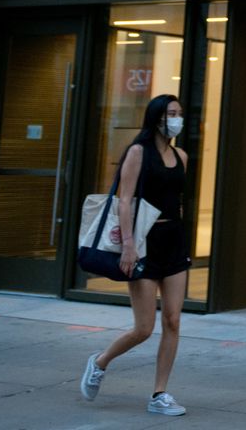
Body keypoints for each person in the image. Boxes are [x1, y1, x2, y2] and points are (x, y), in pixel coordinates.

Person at [79, 94, 192, 416]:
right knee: (143, 328)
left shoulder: (181, 155)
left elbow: (177, 199)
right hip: (143, 241)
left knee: (172, 320)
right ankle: (99, 362)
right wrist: (128, 245)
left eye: (179, 114)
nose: (176, 119)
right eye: (171, 113)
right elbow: (125, 200)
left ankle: (160, 394)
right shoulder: (138, 152)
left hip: (174, 239)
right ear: (157, 117)